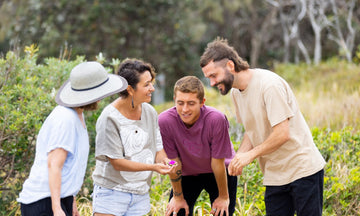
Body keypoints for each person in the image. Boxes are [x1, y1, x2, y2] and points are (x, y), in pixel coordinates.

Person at [200, 38, 326, 216]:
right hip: (274, 175)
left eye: (214, 76)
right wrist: (240, 156)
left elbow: (283, 134)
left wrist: (250, 156)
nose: (212, 83)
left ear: (230, 65)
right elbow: (252, 131)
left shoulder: (269, 85)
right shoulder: (236, 93)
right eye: (209, 78)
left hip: (303, 170)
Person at [17, 61, 128, 216]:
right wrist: (57, 208)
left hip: (60, 199)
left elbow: (70, 165)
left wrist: (71, 200)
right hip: (44, 202)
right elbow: (54, 165)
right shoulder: (65, 118)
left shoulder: (77, 113)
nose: (101, 99)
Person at [91, 58, 176, 216]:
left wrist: (168, 163)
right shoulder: (109, 118)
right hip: (111, 194)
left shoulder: (150, 112)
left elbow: (158, 150)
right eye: (146, 85)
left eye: (151, 82)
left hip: (140, 195)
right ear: (130, 89)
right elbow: (117, 163)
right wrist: (153, 167)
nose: (152, 88)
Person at [158, 76, 237, 216]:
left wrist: (224, 197)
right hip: (187, 172)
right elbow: (173, 161)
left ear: (202, 102)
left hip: (219, 171)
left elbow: (217, 162)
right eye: (180, 103)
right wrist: (177, 197)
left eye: (191, 103)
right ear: (174, 100)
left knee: (222, 211)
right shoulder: (165, 121)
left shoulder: (216, 119)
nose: (184, 109)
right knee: (175, 212)